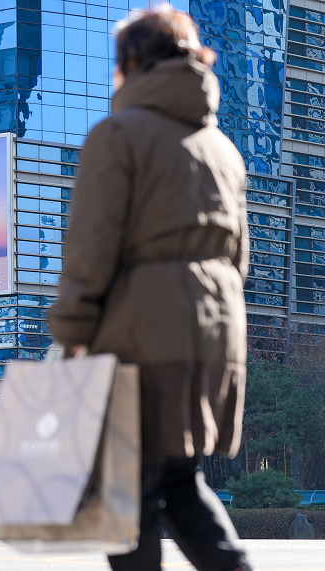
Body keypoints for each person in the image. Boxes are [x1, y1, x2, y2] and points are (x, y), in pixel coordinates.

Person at [48, 5, 253, 571]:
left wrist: (73, 329)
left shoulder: (118, 135)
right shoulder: (224, 150)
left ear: (132, 63)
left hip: (141, 337)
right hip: (212, 339)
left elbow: (92, 246)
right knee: (181, 482)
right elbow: (240, 259)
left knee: (126, 495)